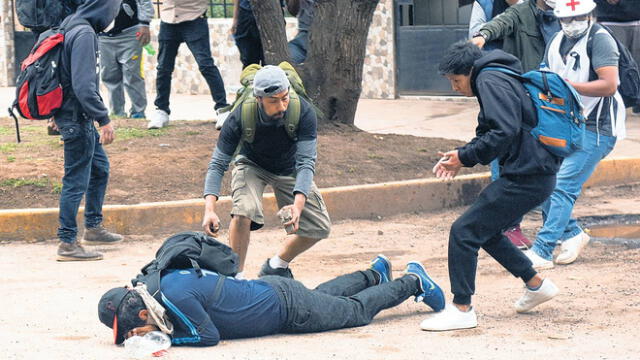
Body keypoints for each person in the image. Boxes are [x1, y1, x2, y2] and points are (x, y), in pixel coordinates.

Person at [421, 41, 562, 331]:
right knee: (484, 230)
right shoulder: (497, 74)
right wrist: (462, 154)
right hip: (532, 172)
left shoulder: (489, 79)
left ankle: (462, 309)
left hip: (528, 175)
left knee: (464, 231)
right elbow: (492, 130)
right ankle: (536, 285)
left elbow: (503, 131)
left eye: (456, 81)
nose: (455, 88)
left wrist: (466, 156)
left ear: (469, 72)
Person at [98, 256, 445, 346]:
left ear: (143, 312)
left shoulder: (174, 300)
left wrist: (163, 337)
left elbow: (207, 337)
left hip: (288, 311)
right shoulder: (159, 283)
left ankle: (412, 281)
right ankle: (373, 275)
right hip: (274, 291)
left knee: (356, 312)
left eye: (132, 328)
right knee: (322, 295)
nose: (134, 334)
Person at [202, 65, 331, 279]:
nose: (281, 106)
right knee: (244, 210)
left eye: (285, 98)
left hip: (290, 168)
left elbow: (306, 162)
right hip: (252, 165)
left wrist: (298, 205)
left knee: (320, 226)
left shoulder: (304, 112)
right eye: (273, 101)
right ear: (259, 99)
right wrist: (209, 210)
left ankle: (276, 265)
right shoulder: (240, 116)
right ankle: (236, 276)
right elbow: (217, 164)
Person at [525, 0, 626, 268]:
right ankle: (572, 233)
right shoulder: (557, 41)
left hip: (598, 127)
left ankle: (543, 250)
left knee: (561, 187)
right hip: (566, 125)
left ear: (590, 15)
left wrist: (569, 87)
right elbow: (547, 77)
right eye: (566, 19)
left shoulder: (601, 40)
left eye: (578, 17)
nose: (572, 23)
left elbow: (609, 84)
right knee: (543, 182)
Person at [54, 0, 124, 262]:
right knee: (75, 181)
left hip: (71, 115)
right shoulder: (83, 33)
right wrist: (104, 119)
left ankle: (93, 228)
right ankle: (67, 243)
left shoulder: (70, 24)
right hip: (77, 118)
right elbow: (83, 86)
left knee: (99, 169)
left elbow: (63, 73)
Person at [469, 0, 534, 250]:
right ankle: (508, 226)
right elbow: (475, 38)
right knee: (500, 150)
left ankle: (560, 225)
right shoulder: (484, 4)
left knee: (539, 156)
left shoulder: (532, 8)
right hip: (498, 86)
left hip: (531, 87)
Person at [147, 0, 230, 129]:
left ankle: (222, 109)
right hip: (168, 19)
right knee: (163, 68)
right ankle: (161, 110)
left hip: (194, 17)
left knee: (206, 64)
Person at [99, 0, 154, 119]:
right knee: (109, 76)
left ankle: (138, 112)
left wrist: (145, 24)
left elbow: (144, 2)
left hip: (130, 33)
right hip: (103, 37)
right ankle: (117, 113)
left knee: (132, 75)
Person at [471, 0, 560, 72]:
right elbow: (502, 22)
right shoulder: (522, 10)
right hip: (530, 78)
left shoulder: (565, 13)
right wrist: (483, 35)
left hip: (557, 78)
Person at [595, 0, 640, 113]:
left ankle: (637, 103)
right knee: (613, 65)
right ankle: (612, 105)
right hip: (609, 17)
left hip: (636, 16)